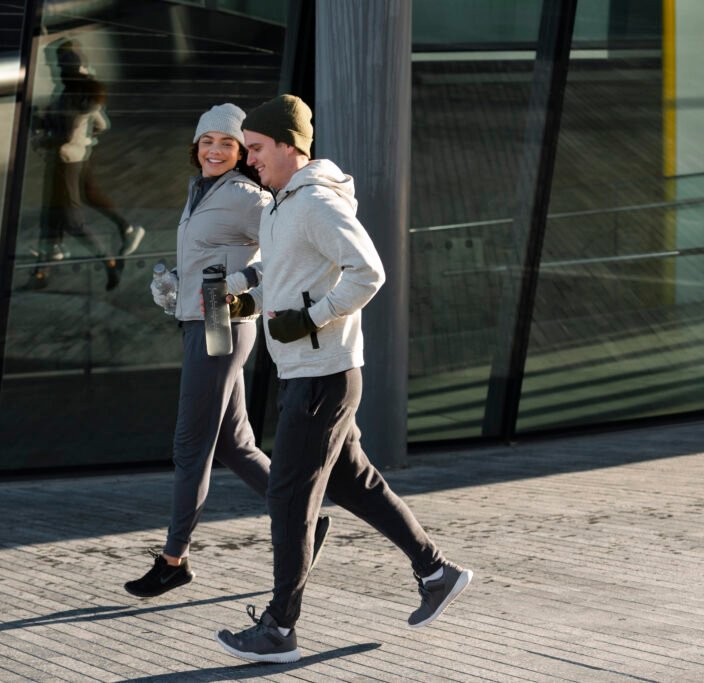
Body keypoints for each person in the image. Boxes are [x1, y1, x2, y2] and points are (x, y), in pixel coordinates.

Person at [214, 95, 473, 664]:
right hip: (308, 374)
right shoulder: (282, 204)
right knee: (356, 485)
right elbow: (288, 273)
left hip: (323, 376)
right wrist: (246, 298)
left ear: (289, 145)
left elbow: (368, 271)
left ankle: (279, 628)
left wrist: (312, 318)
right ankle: (437, 572)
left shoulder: (315, 202)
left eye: (256, 148)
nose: (248, 159)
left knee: (288, 496)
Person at [123, 103, 331, 599]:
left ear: (241, 153)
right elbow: (210, 258)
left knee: (190, 444)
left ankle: (174, 560)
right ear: (195, 146)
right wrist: (179, 282)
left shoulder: (244, 196)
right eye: (207, 141)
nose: (214, 151)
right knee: (234, 445)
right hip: (203, 318)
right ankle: (307, 519)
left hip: (221, 321)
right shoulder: (202, 189)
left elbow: (287, 250)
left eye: (227, 144)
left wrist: (233, 284)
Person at [23, 40, 144, 291]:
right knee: (52, 218)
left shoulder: (73, 95)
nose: (55, 68)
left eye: (59, 64)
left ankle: (109, 262)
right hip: (68, 158)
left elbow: (64, 135)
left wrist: (41, 139)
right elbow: (98, 125)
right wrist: (81, 139)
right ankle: (41, 273)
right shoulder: (78, 91)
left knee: (72, 220)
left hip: (65, 161)